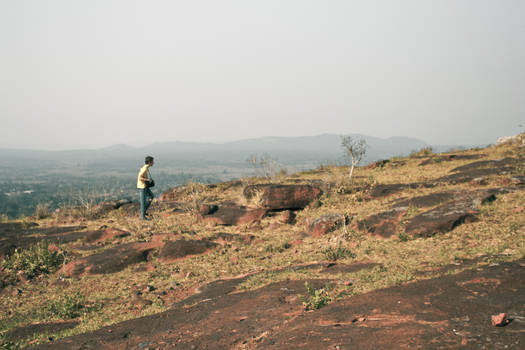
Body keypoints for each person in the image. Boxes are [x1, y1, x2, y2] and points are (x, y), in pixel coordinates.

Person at [137, 156, 155, 220]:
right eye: (152, 161)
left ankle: (143, 211)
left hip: (144, 186)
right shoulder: (145, 168)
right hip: (142, 186)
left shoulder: (146, 167)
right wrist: (147, 180)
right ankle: (143, 217)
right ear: (149, 162)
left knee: (151, 196)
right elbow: (139, 177)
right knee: (143, 201)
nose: (153, 163)